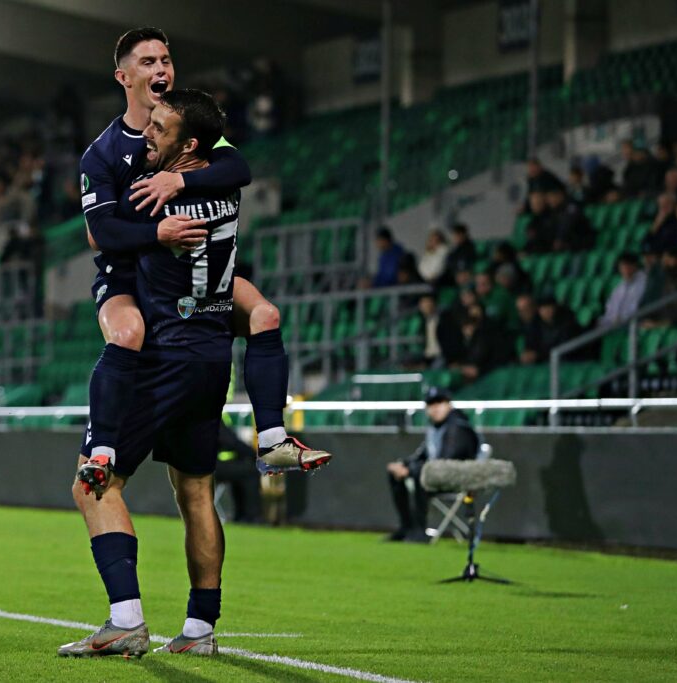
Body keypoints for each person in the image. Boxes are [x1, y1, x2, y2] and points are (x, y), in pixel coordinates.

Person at [76, 28, 329, 483]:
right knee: (129, 330)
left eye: (166, 60)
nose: (161, 69)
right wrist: (158, 232)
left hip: (194, 274)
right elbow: (101, 233)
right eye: (149, 62)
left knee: (265, 314)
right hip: (130, 277)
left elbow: (239, 168)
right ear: (123, 77)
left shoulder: (194, 132)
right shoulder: (104, 152)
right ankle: (103, 448)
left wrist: (182, 182)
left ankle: (272, 438)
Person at [58, 89, 243, 659]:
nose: (147, 140)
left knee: (94, 483)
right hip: (214, 355)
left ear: (186, 144)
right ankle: (201, 629)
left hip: (166, 357)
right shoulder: (222, 182)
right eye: (150, 62)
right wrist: (185, 178)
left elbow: (103, 235)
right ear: (123, 76)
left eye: (159, 130)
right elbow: (240, 164)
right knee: (195, 491)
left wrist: (162, 204)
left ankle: (125, 620)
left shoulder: (149, 191)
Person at [385, 387, 481, 543]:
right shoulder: (435, 428)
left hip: (459, 479)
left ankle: (419, 530)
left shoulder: (458, 426)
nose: (435, 408)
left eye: (439, 403)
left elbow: (447, 460)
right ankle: (406, 527)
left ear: (448, 404)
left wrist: (410, 469)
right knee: (396, 472)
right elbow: (423, 455)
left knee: (419, 472)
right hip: (436, 476)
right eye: (431, 404)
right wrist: (403, 465)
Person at [599, 252, 647, 328]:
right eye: (622, 266)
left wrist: (621, 318)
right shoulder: (619, 287)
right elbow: (610, 309)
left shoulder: (642, 282)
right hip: (612, 323)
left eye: (628, 266)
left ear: (635, 266)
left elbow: (636, 307)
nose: (625, 269)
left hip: (630, 323)